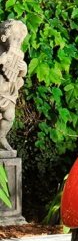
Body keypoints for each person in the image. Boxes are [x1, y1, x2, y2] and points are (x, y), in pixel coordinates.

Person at [0, 20, 28, 153]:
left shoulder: (18, 54)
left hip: (8, 92)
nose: (17, 44)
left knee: (10, 116)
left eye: (19, 41)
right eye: (15, 40)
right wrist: (1, 61)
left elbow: (19, 75)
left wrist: (24, 69)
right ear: (4, 37)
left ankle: (1, 137)